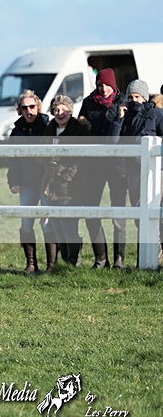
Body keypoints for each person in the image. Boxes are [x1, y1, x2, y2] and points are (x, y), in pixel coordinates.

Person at [77, 68, 125, 268]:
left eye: (107, 84)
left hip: (117, 166)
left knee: (119, 213)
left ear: (113, 85)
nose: (103, 88)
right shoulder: (88, 103)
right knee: (91, 210)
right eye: (100, 84)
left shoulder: (123, 102)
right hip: (93, 165)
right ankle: (100, 258)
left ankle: (119, 259)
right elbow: (80, 132)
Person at [115, 79, 163, 266]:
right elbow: (114, 142)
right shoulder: (124, 116)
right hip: (133, 171)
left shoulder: (157, 114)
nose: (134, 100)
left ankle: (157, 250)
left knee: (156, 212)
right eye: (131, 96)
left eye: (137, 96)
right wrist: (119, 119)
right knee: (138, 215)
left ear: (144, 97)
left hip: (155, 171)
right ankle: (145, 256)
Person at [41, 95, 90, 269]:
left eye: (63, 109)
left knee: (68, 224)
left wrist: (68, 175)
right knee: (55, 224)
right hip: (50, 183)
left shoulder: (79, 129)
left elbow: (81, 158)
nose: (59, 113)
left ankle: (72, 261)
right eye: (56, 110)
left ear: (71, 111)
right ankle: (64, 261)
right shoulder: (49, 129)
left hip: (70, 185)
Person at [6, 90, 50, 273]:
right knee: (26, 223)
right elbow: (12, 159)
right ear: (20, 110)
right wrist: (13, 181)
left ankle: (51, 264)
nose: (29, 111)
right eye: (24, 108)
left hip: (47, 182)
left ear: (38, 107)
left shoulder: (48, 125)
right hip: (27, 183)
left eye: (32, 107)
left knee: (47, 222)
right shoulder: (16, 130)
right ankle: (31, 263)